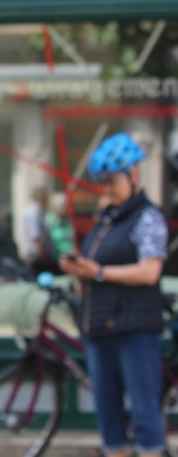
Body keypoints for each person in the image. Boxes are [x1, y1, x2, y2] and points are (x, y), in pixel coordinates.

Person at [59, 132, 167, 457]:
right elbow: (95, 265)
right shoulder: (105, 220)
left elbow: (150, 271)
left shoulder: (147, 217)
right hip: (98, 326)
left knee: (145, 415)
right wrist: (79, 270)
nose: (105, 189)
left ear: (133, 175)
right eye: (101, 183)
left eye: (111, 181)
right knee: (108, 417)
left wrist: (100, 273)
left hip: (133, 329)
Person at [21, 186, 60, 277]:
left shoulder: (34, 211)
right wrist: (43, 254)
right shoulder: (34, 212)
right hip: (37, 258)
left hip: (37, 256)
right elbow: (35, 237)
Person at [44, 192, 75, 260]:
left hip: (70, 257)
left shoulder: (69, 220)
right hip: (54, 258)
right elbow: (48, 240)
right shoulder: (50, 219)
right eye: (66, 206)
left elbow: (72, 238)